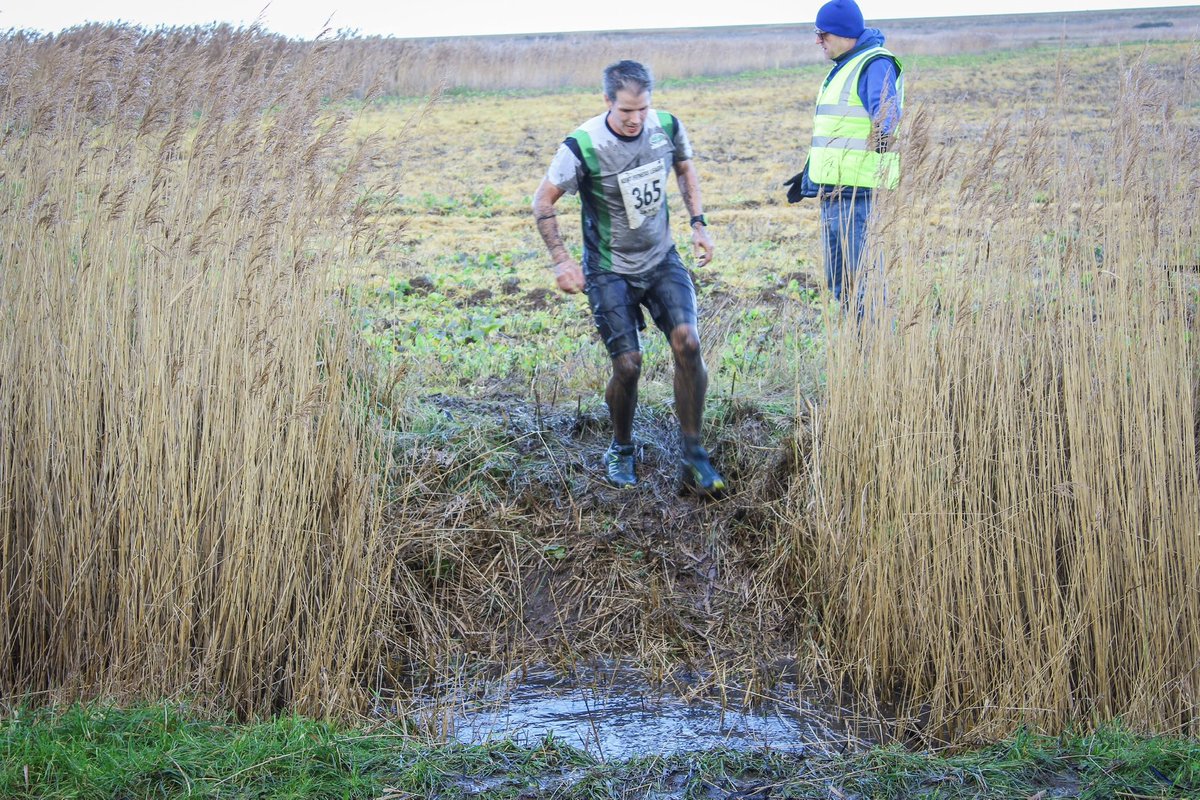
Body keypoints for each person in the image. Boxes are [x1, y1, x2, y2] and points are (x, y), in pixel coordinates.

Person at [532, 59, 726, 495]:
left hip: (660, 259)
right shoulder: (583, 144)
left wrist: (699, 223)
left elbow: (684, 167)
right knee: (628, 364)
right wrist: (563, 260)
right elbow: (542, 202)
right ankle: (620, 447)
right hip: (608, 268)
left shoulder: (668, 127)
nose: (635, 120)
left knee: (687, 342)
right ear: (607, 103)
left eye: (642, 109)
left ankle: (693, 451)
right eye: (625, 112)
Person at [784, 0, 903, 312]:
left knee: (867, 288)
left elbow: (886, 119)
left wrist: (881, 141)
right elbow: (837, 132)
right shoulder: (845, 66)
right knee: (843, 287)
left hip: (859, 199)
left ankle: (876, 355)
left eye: (822, 34)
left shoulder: (874, 64)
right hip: (834, 196)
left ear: (843, 33)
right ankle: (858, 353)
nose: (817, 41)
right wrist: (810, 176)